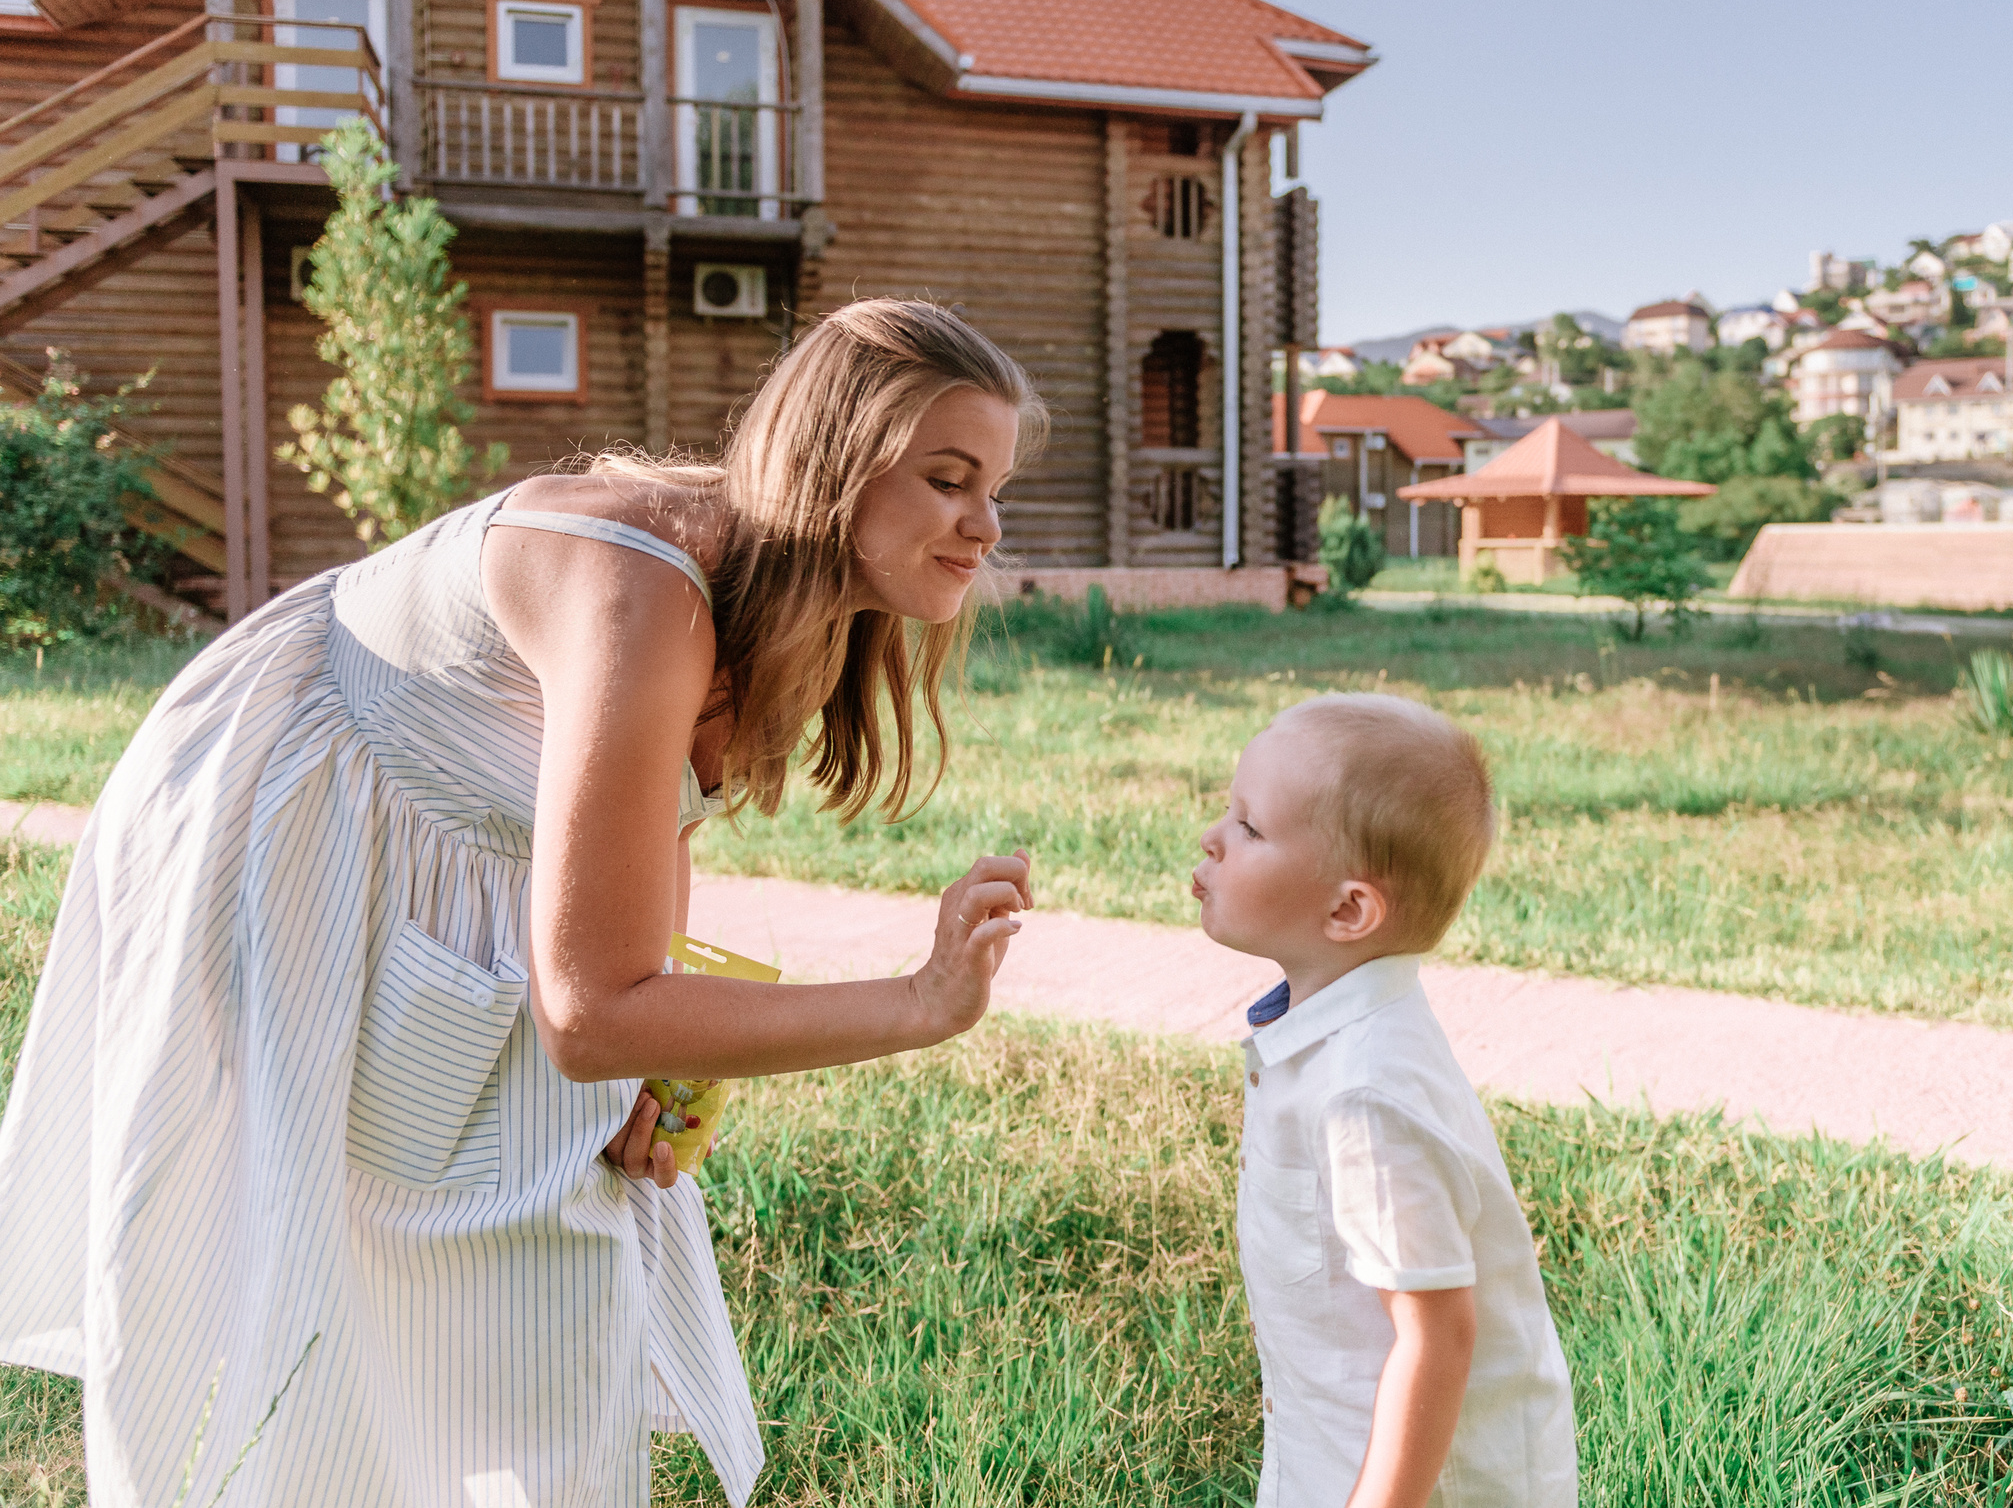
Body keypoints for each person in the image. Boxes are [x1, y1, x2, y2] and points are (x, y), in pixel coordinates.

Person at [0, 298, 1044, 1508]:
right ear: (830, 465)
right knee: (343, 1253)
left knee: (548, 1226)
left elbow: (647, 841)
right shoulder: (645, 588)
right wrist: (915, 1002)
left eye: (994, 486)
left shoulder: (771, 594)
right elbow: (590, 1012)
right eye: (947, 479)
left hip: (454, 843)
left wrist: (660, 1067)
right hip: (295, 809)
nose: (984, 524)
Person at [1191, 695, 1577, 1508]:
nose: (1211, 838)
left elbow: (1437, 1336)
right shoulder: (1330, 1034)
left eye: (1249, 827)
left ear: (1348, 909)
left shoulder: (1366, 1095)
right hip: (1331, 1452)